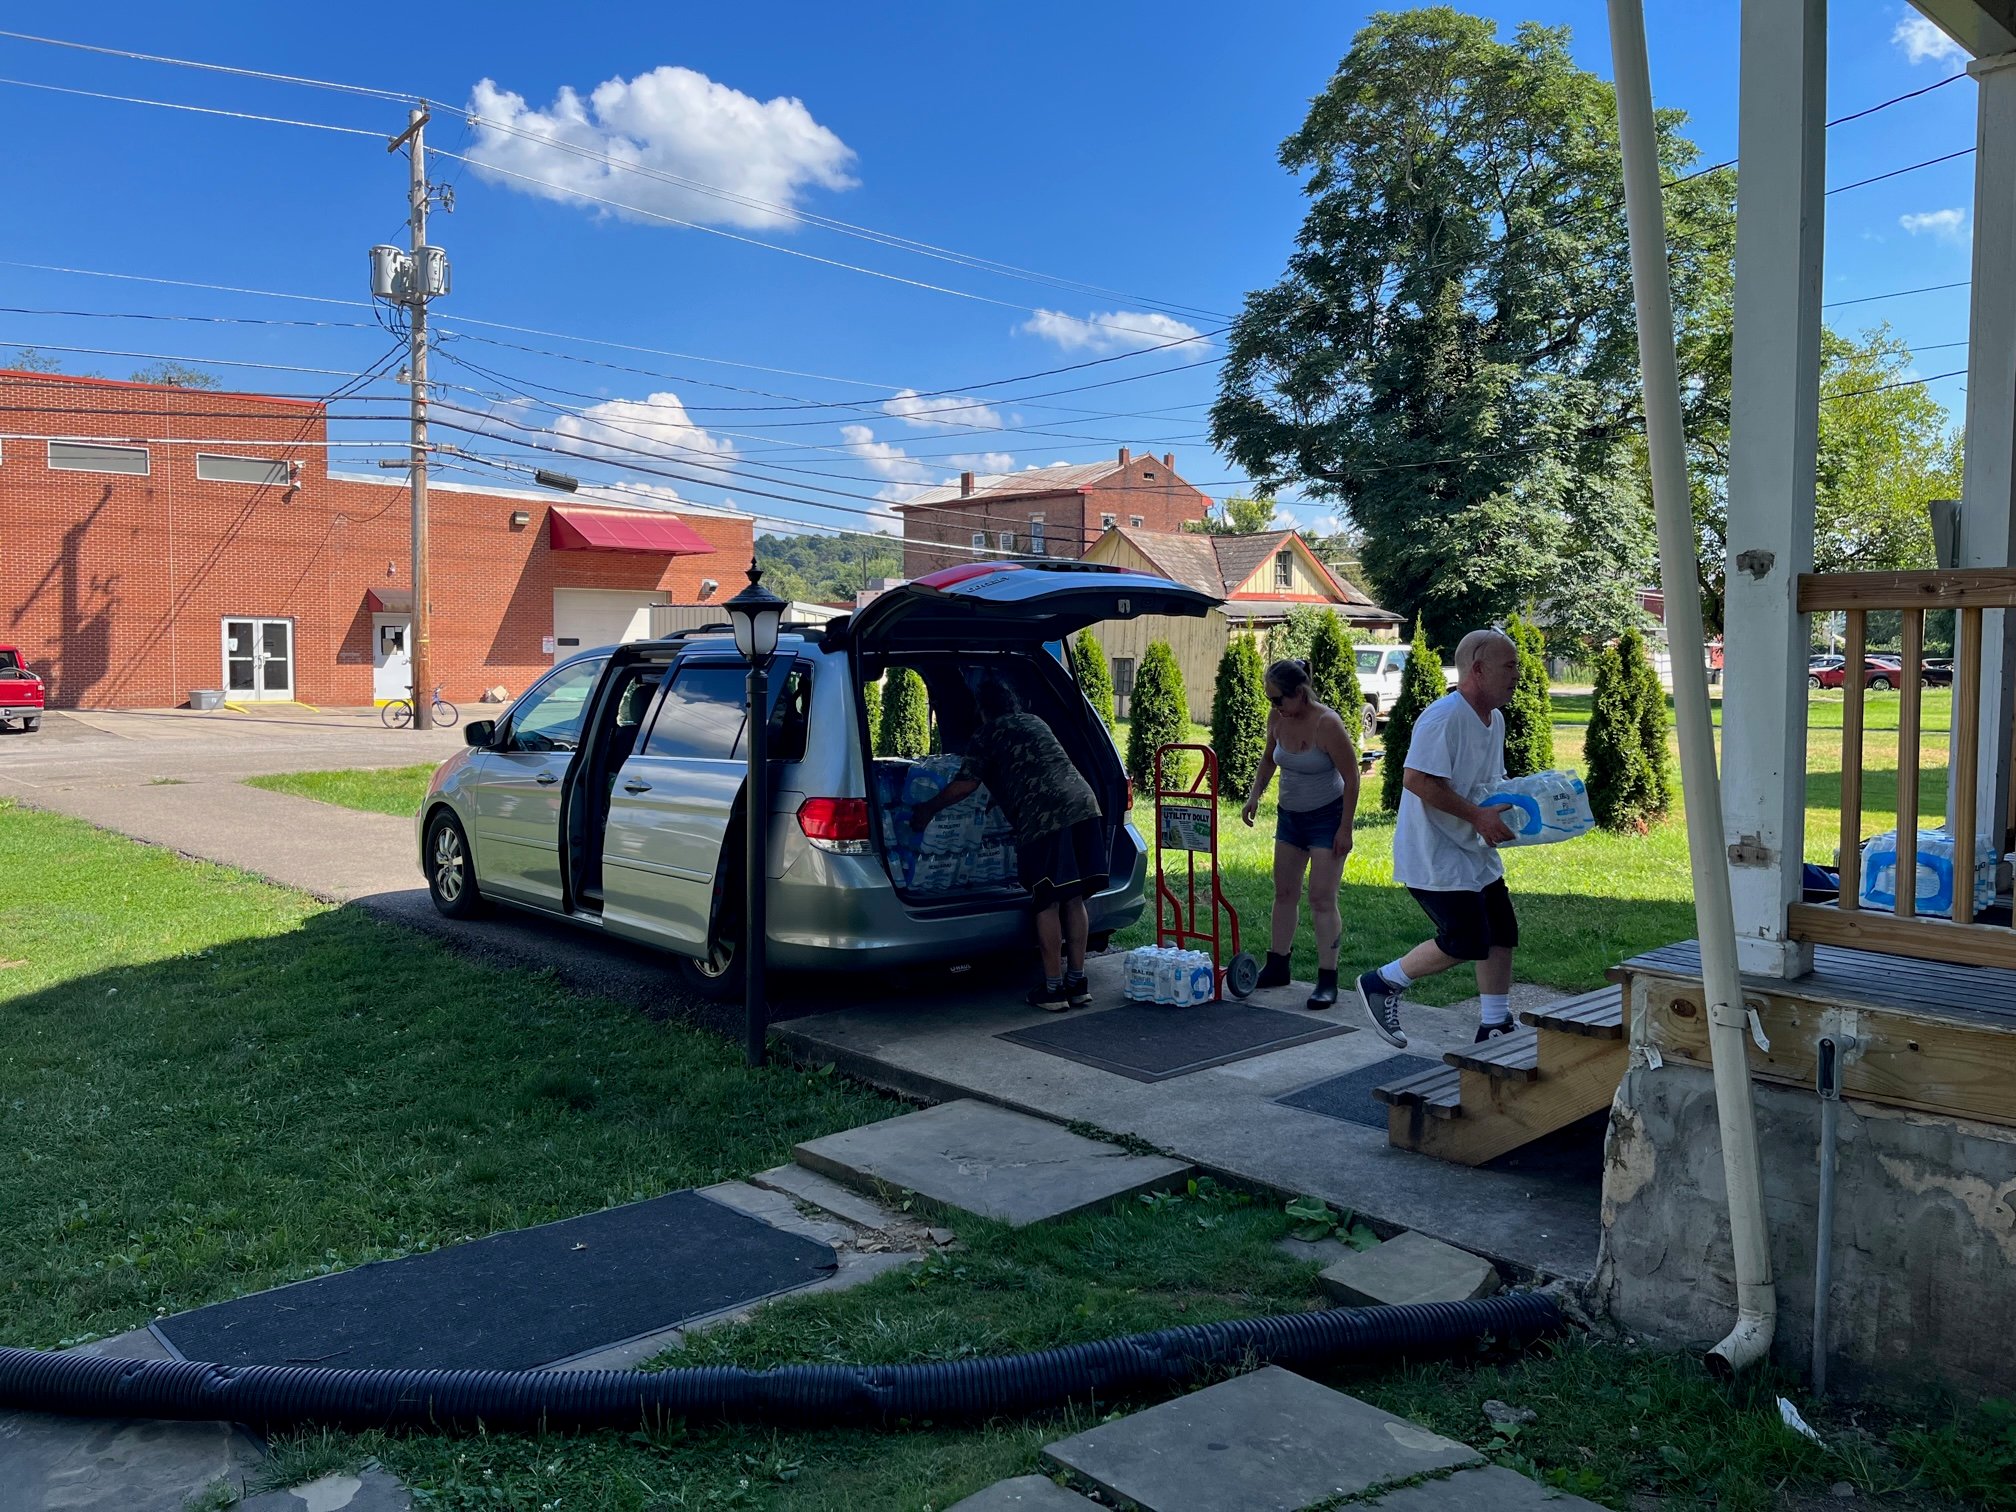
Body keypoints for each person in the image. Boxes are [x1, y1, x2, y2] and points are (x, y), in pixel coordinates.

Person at [1357, 628, 1522, 1047]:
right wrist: (1477, 817)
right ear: (1479, 670)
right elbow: (1417, 780)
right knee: (1467, 940)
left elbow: (1486, 781)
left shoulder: (1494, 718)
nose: (1517, 673)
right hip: (1434, 853)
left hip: (1472, 848)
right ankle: (1382, 983)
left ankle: (1494, 1023)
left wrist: (1522, 798)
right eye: (1510, 665)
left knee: (1502, 930)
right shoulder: (1444, 716)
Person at [911, 677, 1107, 1011]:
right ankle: (1077, 982)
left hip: (1047, 817)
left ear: (982, 709)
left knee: (1046, 901)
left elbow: (965, 785)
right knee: (1073, 899)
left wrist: (927, 809)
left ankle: (1053, 990)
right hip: (1085, 806)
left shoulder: (987, 733)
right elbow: (1032, 766)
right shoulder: (1035, 721)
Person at [1238, 657, 1361, 1010]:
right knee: (1285, 892)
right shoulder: (1277, 717)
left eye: (1279, 699)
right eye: (1270, 700)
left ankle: (1327, 978)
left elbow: (1352, 778)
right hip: (1290, 816)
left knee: (1322, 898)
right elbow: (1268, 759)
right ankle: (1278, 964)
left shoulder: (1327, 724)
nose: (1275, 707)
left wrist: (1345, 828)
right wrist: (1254, 795)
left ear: (1301, 693)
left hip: (1327, 817)